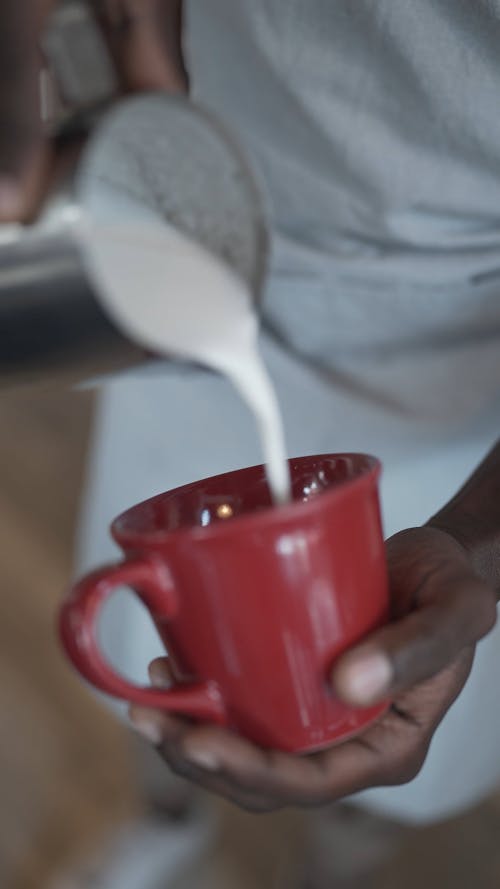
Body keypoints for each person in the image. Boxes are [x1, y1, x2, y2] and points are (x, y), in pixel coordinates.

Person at [4, 1, 500, 885]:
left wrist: (479, 539)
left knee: (418, 717)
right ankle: (166, 830)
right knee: (160, 660)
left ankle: (330, 867)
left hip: (462, 367)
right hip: (185, 220)